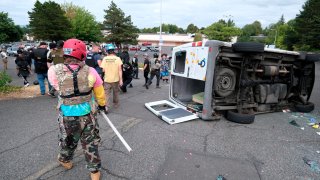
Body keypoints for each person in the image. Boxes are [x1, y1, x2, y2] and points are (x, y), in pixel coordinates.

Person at [48, 38, 107, 180]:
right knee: (90, 143)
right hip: (87, 114)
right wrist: (102, 105)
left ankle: (64, 159)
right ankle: (94, 172)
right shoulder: (91, 71)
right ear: (82, 55)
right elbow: (100, 93)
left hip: (67, 114)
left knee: (68, 139)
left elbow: (57, 87)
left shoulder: (53, 71)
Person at [100, 44, 123, 109]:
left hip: (107, 79)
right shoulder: (117, 59)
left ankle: (106, 106)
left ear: (107, 51)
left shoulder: (105, 59)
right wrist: (121, 80)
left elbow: (103, 70)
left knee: (106, 93)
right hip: (115, 79)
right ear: (113, 51)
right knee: (115, 92)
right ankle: (115, 103)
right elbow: (120, 70)